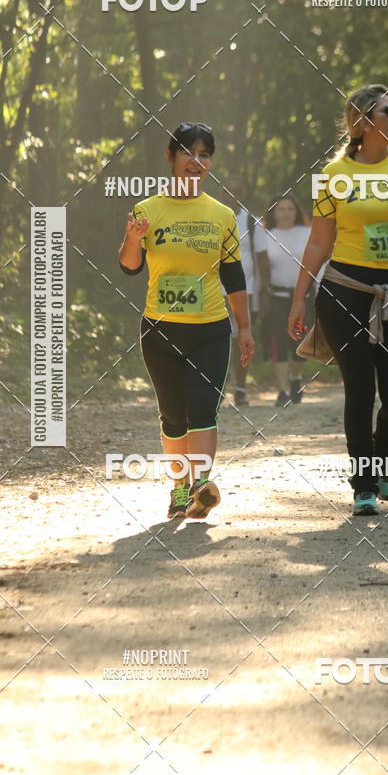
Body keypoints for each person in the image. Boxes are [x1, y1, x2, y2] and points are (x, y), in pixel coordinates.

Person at [288, 84, 388, 515]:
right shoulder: (333, 175)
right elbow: (319, 242)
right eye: (387, 110)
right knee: (359, 389)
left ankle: (382, 456)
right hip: (344, 293)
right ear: (363, 121)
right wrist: (299, 297)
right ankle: (363, 484)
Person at [118, 122, 254, 519]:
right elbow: (129, 266)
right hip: (160, 329)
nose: (197, 162)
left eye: (205, 155)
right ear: (171, 158)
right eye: (188, 153)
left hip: (211, 328)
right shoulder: (147, 210)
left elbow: (234, 276)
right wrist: (131, 237)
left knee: (203, 408)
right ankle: (179, 488)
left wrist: (244, 328)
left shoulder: (222, 215)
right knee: (173, 415)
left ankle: (198, 486)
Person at [257, 193, 312, 406]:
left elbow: (319, 260)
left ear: (296, 212)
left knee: (300, 340)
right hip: (277, 297)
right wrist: (262, 294)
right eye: (281, 209)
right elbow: (260, 266)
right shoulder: (266, 235)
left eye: (290, 209)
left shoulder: (307, 232)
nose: (286, 213)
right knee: (278, 340)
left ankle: (295, 378)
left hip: (304, 296)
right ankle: (282, 392)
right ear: (273, 213)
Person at [224, 180, 267, 406]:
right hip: (216, 290)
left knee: (242, 336)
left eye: (237, 190)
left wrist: (264, 292)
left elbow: (262, 258)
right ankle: (219, 387)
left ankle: (240, 389)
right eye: (229, 190)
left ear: (243, 194)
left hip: (246, 289)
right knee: (220, 339)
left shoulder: (252, 222)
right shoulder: (214, 216)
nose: (232, 193)